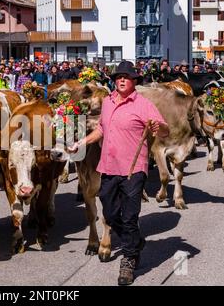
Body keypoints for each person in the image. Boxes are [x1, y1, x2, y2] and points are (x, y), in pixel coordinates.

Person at [68, 61, 169, 286]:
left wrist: (157, 128)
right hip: (109, 167)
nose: (122, 80)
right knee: (111, 214)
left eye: (127, 77)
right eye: (118, 77)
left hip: (134, 169)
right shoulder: (107, 102)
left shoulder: (143, 104)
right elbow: (102, 129)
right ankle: (135, 242)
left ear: (134, 81)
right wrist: (82, 142)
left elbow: (164, 129)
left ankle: (129, 260)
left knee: (129, 217)